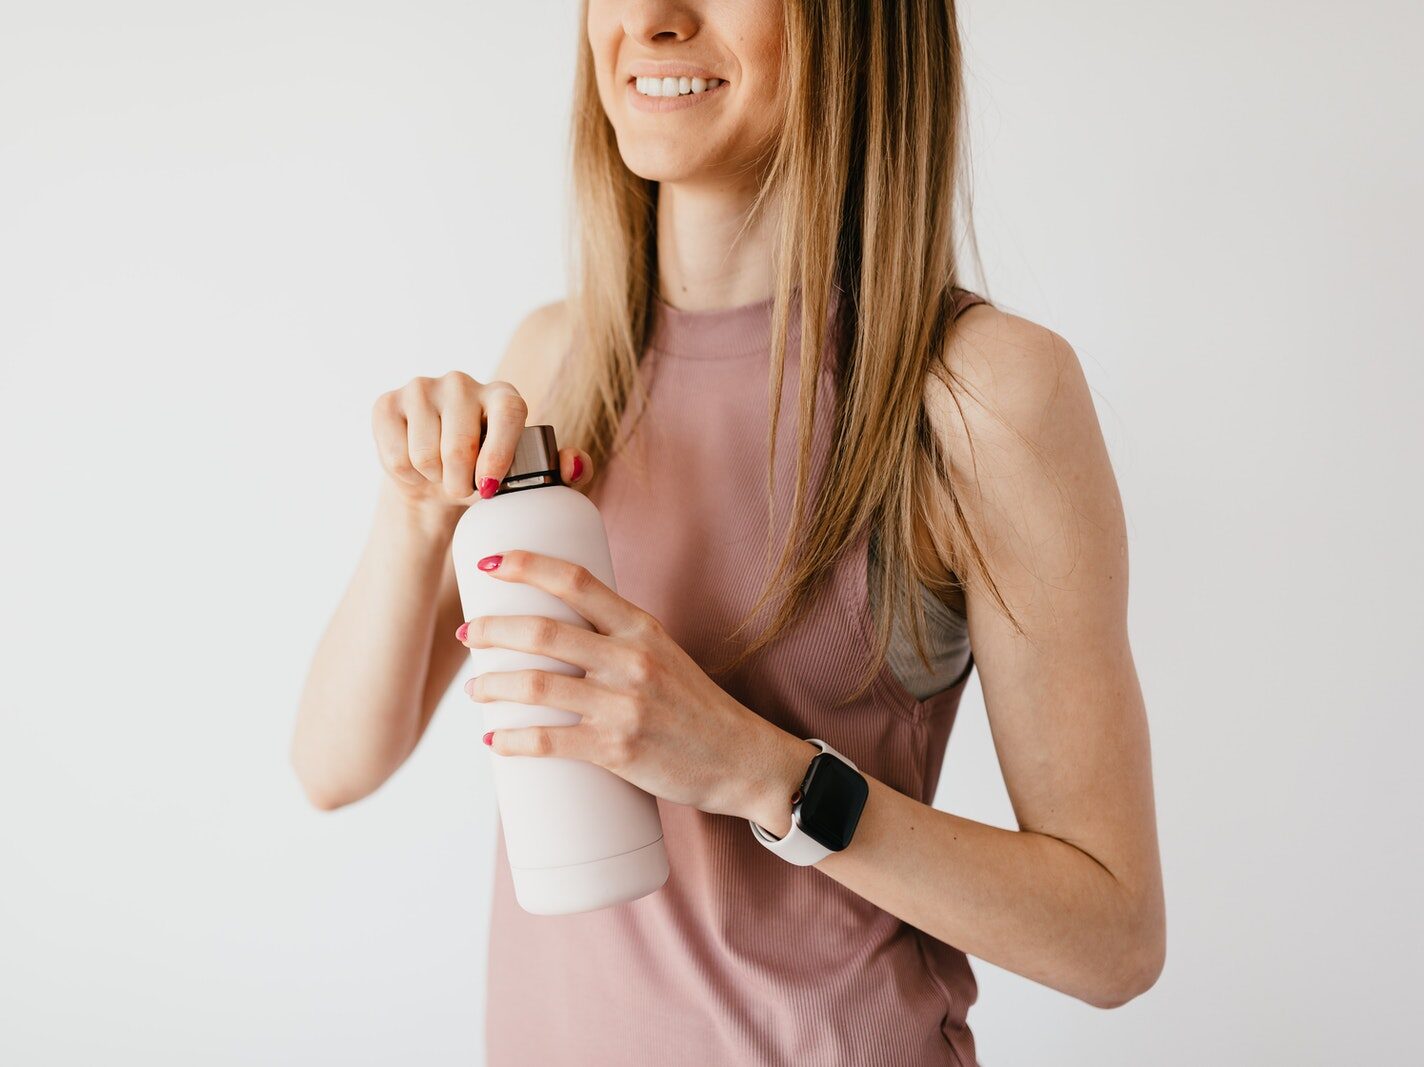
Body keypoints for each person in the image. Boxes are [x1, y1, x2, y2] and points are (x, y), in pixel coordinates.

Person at [291, 1, 1166, 1063]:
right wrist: (412, 506)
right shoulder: (556, 360)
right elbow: (333, 763)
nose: (653, 19)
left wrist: (761, 772)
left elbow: (1112, 938)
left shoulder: (980, 394)